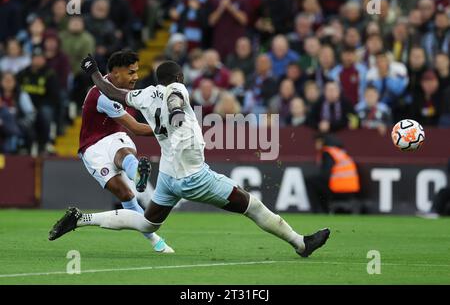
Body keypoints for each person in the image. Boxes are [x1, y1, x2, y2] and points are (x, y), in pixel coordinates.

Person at [48, 57, 330, 258]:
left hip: (169, 178)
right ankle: (300, 244)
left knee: (147, 222)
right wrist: (177, 113)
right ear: (179, 78)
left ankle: (82, 219)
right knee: (253, 206)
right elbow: (174, 98)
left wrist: (94, 73)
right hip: (195, 176)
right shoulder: (178, 88)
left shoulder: (144, 95)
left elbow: (113, 91)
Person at [57, 50, 173, 253]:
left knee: (123, 151)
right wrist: (169, 129)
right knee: (125, 194)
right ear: (115, 73)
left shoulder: (126, 91)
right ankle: (138, 179)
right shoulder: (102, 96)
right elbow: (136, 128)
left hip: (115, 137)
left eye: (136, 71)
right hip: (92, 149)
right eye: (131, 72)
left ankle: (137, 175)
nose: (136, 77)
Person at [306, 133, 361, 214]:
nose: (316, 144)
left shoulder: (327, 152)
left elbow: (326, 174)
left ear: (322, 142)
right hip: (352, 190)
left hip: (338, 189)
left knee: (310, 181)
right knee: (317, 182)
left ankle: (318, 211)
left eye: (317, 142)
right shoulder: (339, 152)